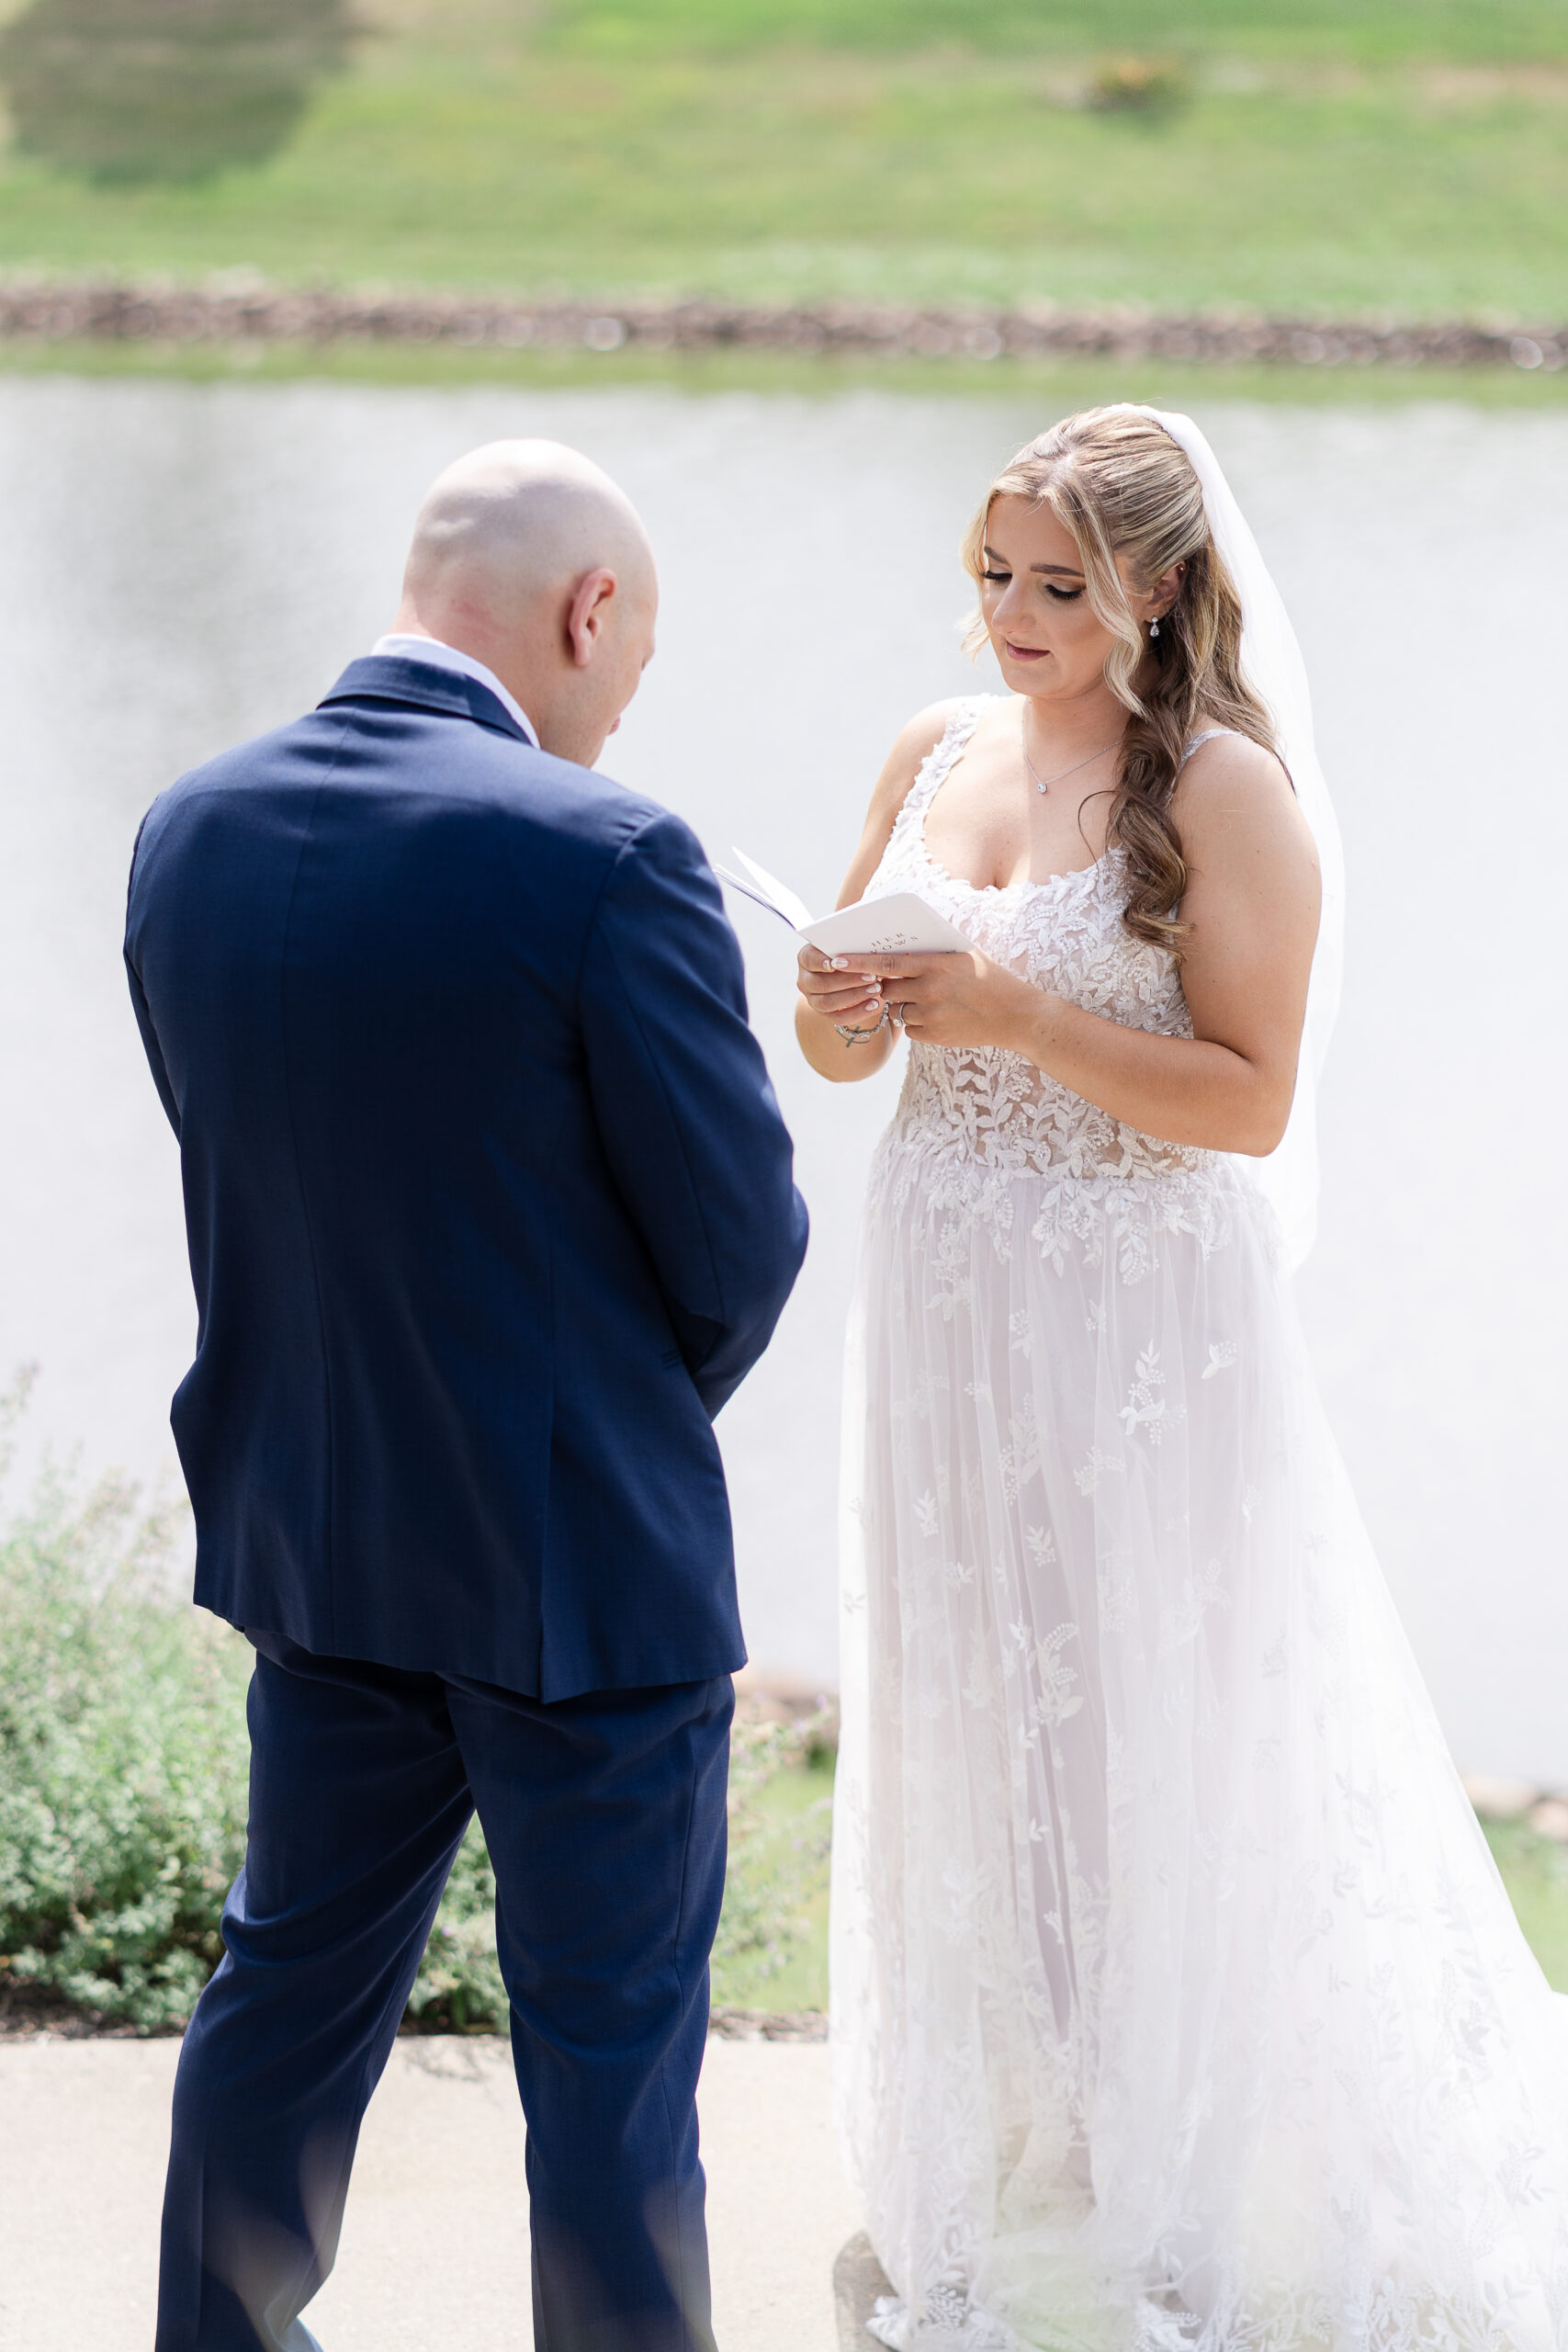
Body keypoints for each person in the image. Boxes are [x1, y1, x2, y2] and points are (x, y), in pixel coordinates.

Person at [797, 406, 1568, 2351]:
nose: (1011, 615)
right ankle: (1015, 2148)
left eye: (1056, 583)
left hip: (1139, 1326)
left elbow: (1250, 1100)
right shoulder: (928, 751)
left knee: (1145, 1724)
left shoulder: (1220, 792)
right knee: (971, 1714)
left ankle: (1173, 2184)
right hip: (944, 1318)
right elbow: (846, 1064)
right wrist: (831, 1004)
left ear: (1153, 582)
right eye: (989, 573)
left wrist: (1012, 1012)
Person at [125, 437, 808, 2352]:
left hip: (319, 1533)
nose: (617, 711)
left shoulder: (189, 824)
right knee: (605, 2061)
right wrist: (598, 1421)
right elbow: (738, 1246)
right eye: (635, 659)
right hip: (577, 1569)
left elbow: (258, 1172)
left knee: (285, 1988)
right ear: (590, 612)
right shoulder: (610, 854)